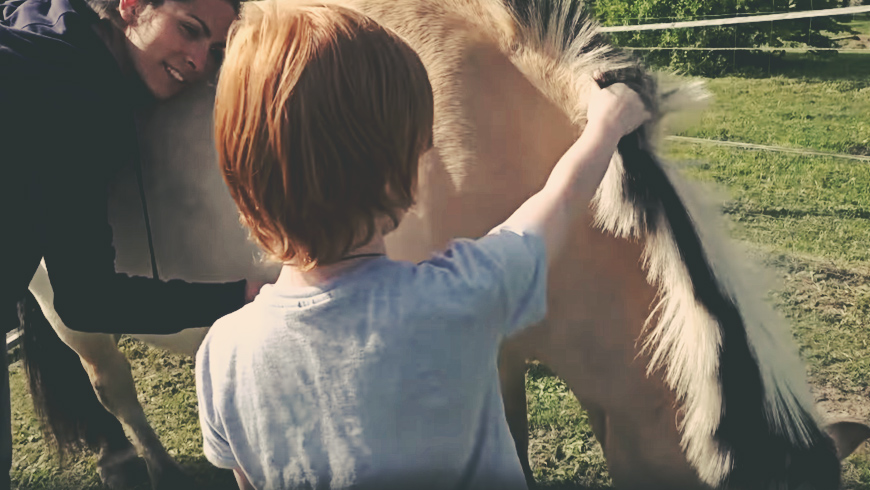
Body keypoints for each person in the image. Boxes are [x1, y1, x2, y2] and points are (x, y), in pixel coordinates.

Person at [195, 2, 651, 489]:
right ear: (404, 183)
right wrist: (607, 125)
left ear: (240, 185)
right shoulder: (458, 298)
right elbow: (558, 203)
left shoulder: (223, 356)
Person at [0, 0, 263, 484]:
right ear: (132, 6)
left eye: (214, 47)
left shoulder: (43, 23)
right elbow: (87, 299)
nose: (199, 61)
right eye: (188, 29)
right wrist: (240, 296)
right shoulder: (69, 97)